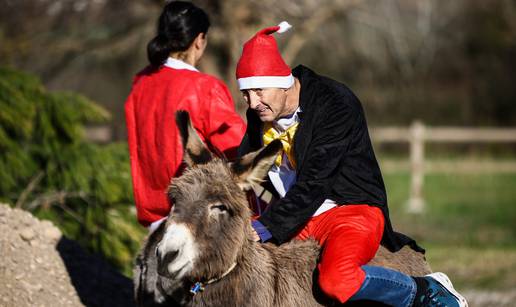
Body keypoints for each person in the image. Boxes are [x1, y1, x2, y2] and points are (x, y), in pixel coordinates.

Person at [237, 22, 468, 307]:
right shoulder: (260, 112)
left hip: (351, 210)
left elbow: (315, 182)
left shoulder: (335, 103)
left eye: (258, 91)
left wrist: (266, 226)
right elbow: (245, 164)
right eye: (246, 94)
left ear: (282, 81)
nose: (252, 102)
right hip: (298, 214)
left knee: (336, 280)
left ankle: (425, 290)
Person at [125, 1, 245, 231]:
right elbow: (237, 150)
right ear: (199, 40)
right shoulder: (204, 87)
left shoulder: (140, 83)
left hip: (153, 221)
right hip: (197, 221)